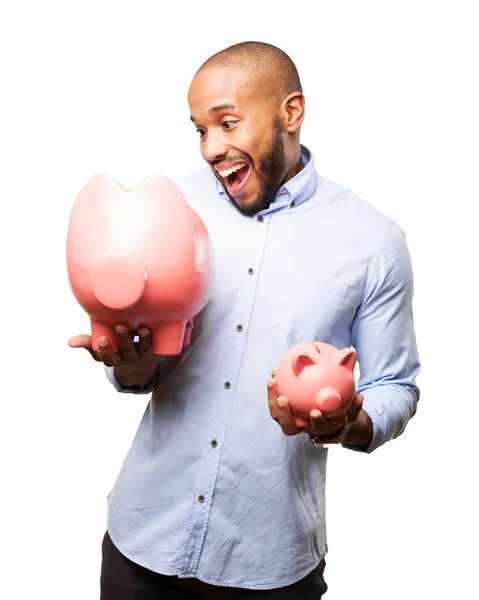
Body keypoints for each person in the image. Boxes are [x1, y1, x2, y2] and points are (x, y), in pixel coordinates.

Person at [69, 41, 420, 599]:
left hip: (268, 562)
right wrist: (133, 367)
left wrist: (345, 422)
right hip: (142, 542)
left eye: (227, 123)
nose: (212, 148)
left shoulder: (373, 242)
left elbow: (395, 388)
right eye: (199, 129)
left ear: (291, 113)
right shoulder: (171, 207)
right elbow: (143, 365)